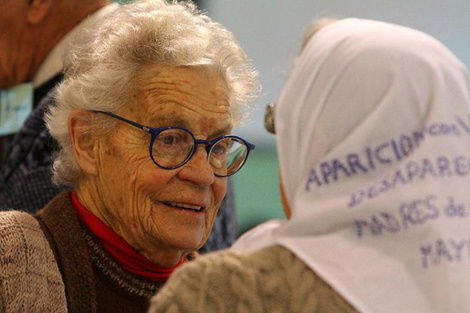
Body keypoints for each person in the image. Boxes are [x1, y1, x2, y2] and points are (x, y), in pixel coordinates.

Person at [148, 18, 470, 313]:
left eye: (281, 124)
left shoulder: (220, 295)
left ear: (314, 140)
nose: (204, 173)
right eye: (170, 140)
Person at [0, 0, 257, 311]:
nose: (203, 175)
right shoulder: (10, 264)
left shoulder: (233, 299)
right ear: (87, 140)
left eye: (218, 147)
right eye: (170, 139)